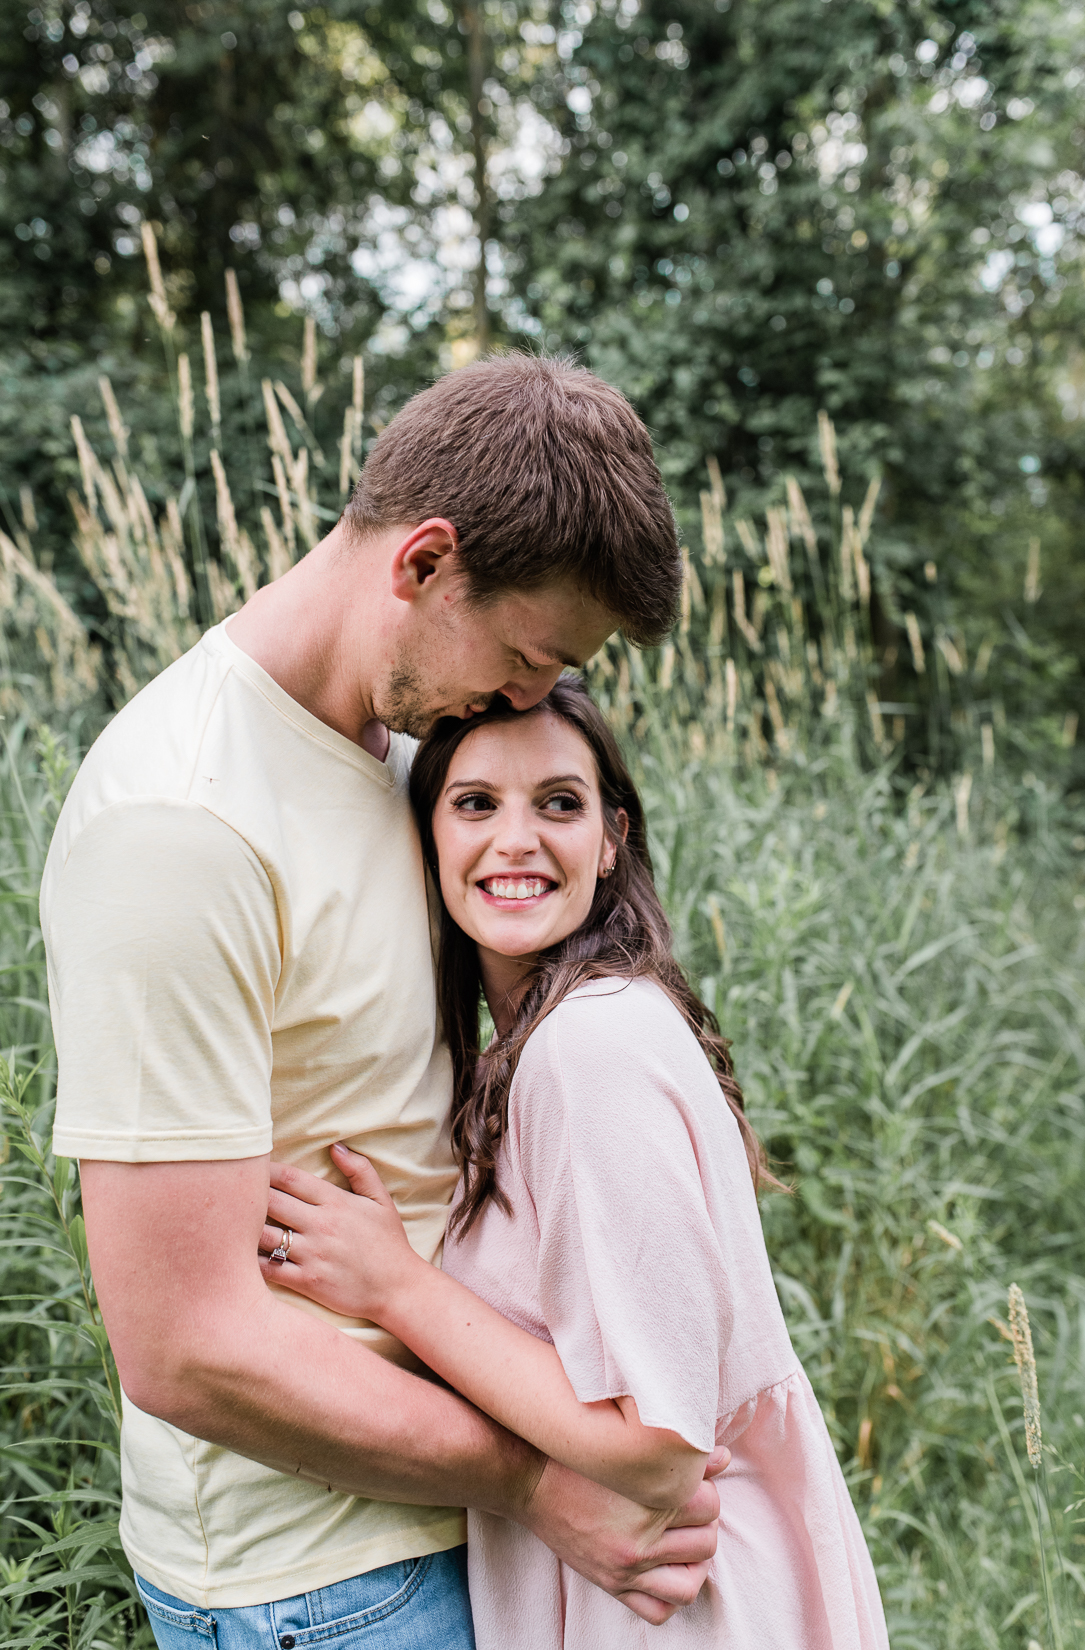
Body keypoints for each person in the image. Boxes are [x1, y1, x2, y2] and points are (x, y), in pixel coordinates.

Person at [40, 355, 727, 1649]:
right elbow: (185, 1346)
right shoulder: (180, 824)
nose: (532, 706)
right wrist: (534, 1478)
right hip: (329, 1582)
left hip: (444, 1515)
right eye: (527, 659)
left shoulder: (406, 755)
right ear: (422, 564)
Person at [259, 676, 892, 1648]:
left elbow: (656, 1453)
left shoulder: (586, 1049)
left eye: (558, 802)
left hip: (676, 1607)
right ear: (427, 841)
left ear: (610, 841)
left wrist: (395, 1288)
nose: (515, 838)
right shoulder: (554, 1039)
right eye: (475, 804)